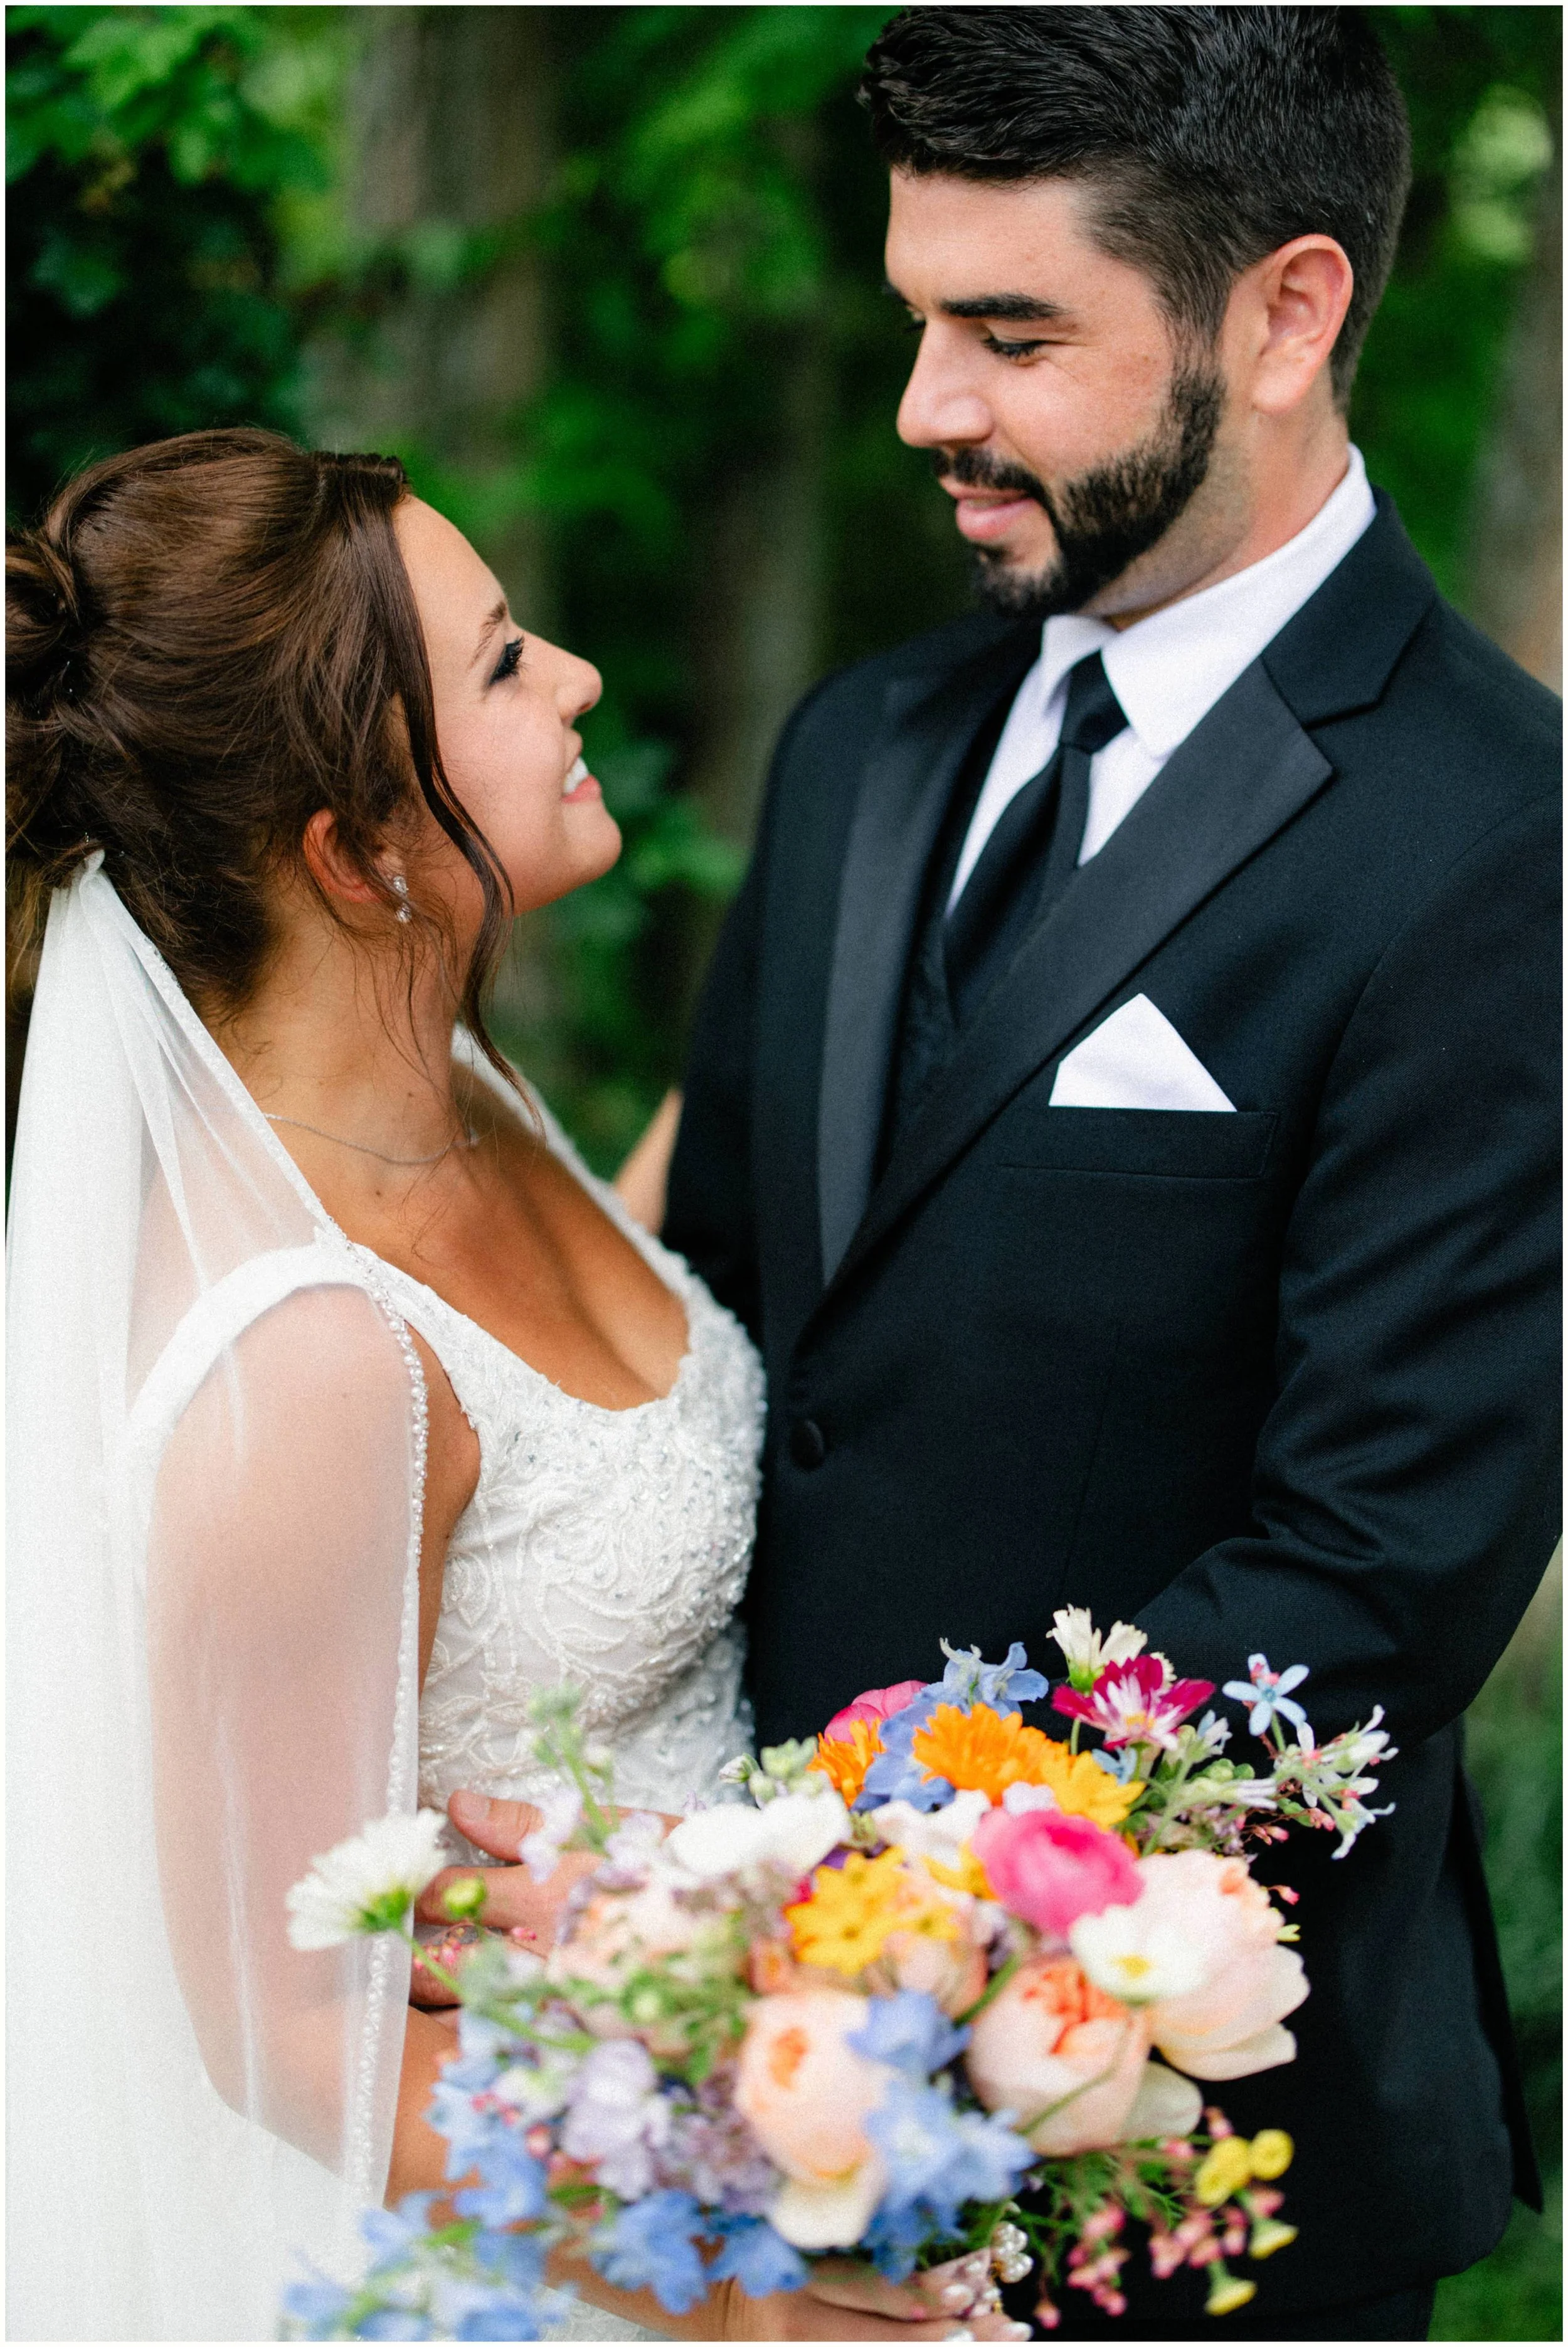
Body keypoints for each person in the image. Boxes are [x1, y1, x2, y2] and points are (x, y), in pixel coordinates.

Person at [663, 9, 1560, 2341]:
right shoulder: (859, 744)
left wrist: (865, 1913)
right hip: (711, 2103)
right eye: (916, 322)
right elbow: (731, 1311)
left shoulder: (1497, 835)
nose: (923, 409)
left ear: (1286, 312)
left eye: (1011, 332)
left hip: (1197, 2152)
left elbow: (1372, 1563)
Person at [6, 432, 1023, 2345]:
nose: (576, 677)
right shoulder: (302, 1359)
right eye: (499, 664)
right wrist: (739, 2287)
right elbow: (280, 2024)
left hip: (726, 2097)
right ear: (359, 848)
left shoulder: (466, 1099)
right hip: (532, 2266)